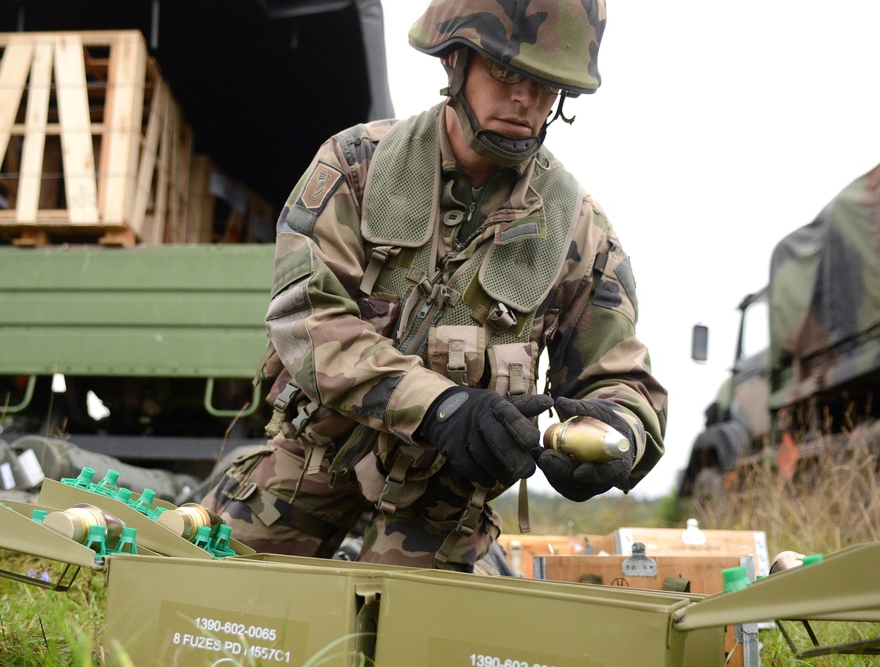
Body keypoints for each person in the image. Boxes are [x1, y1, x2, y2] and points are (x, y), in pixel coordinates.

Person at [201, 0, 667, 572]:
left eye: (548, 86)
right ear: (454, 60)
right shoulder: (357, 167)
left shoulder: (578, 231)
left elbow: (621, 379)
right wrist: (441, 407)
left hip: (444, 505)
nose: (526, 99)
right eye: (505, 72)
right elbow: (306, 318)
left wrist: (617, 435)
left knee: (416, 641)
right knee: (209, 600)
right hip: (312, 462)